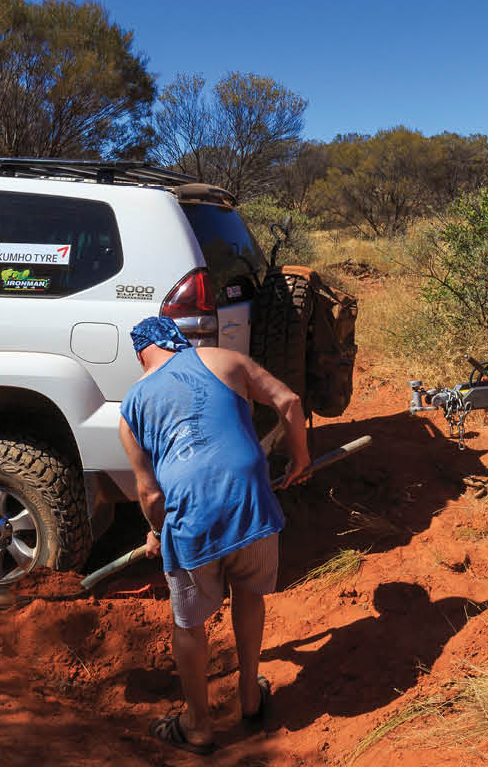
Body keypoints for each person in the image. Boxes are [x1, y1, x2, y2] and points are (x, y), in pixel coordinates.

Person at [118, 315, 310, 755]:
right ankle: (250, 697)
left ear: (142, 357)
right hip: (251, 504)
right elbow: (289, 400)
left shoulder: (131, 408)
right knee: (249, 594)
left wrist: (157, 532)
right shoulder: (223, 359)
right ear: (178, 342)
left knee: (188, 624)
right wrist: (299, 457)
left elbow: (150, 493)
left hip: (191, 519)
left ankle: (198, 726)